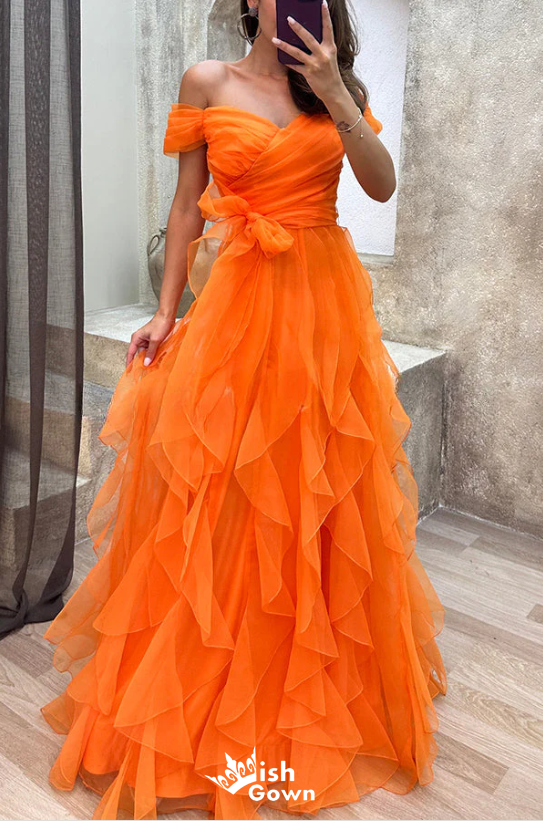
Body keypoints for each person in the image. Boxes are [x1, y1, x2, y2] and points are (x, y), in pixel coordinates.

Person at [40, 1, 447, 819]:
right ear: (250, 2)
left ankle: (314, 669)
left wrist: (334, 93)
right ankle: (218, 670)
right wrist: (164, 311)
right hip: (237, 306)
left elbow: (379, 182)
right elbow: (186, 205)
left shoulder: (336, 87)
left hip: (324, 309)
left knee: (320, 483)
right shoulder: (206, 80)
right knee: (226, 489)